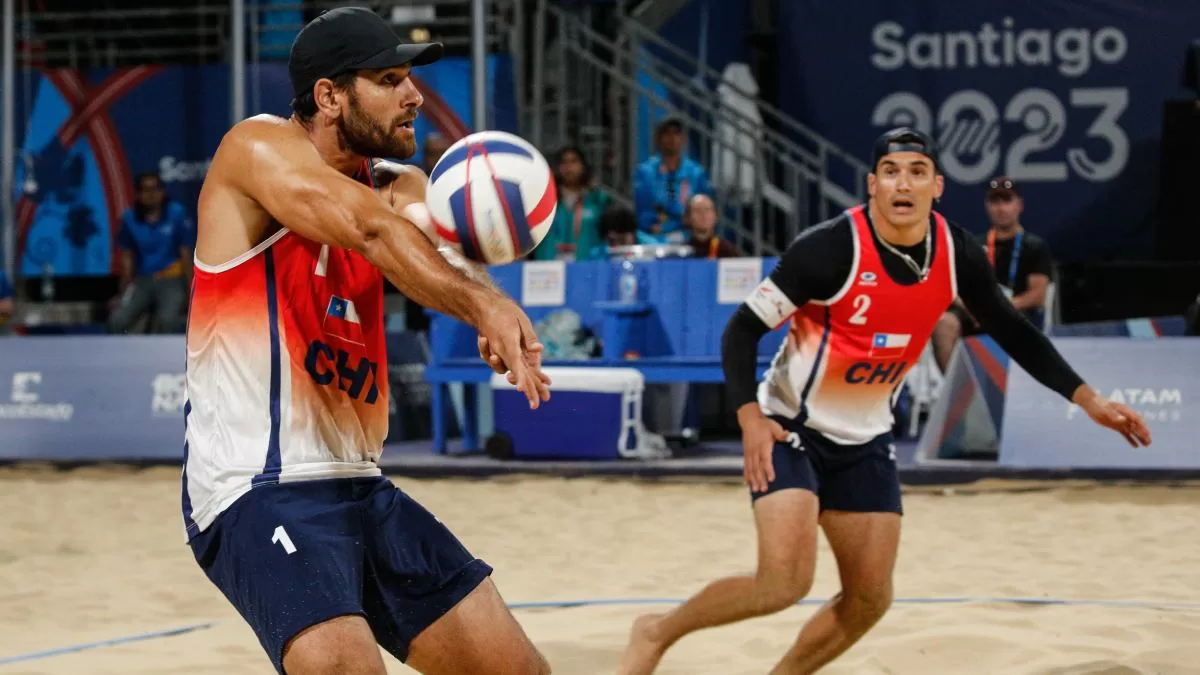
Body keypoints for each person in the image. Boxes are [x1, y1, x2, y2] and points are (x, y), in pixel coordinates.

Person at [617, 127, 1152, 675]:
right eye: (891, 171)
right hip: (790, 428)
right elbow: (740, 332)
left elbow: (1015, 331)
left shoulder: (955, 250)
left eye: (917, 171)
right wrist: (750, 419)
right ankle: (656, 632)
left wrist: (1088, 399)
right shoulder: (828, 248)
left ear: (937, 186)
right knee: (784, 582)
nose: (904, 182)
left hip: (867, 437)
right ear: (872, 185)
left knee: (870, 599)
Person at [183, 8, 552, 675]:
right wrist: (481, 304)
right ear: (328, 97)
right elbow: (375, 233)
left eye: (410, 78)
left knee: (518, 669)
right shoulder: (254, 149)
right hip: (256, 485)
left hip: (358, 483)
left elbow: (429, 238)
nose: (414, 94)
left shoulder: (396, 182)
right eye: (389, 79)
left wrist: (484, 302)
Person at [931, 175, 1055, 372]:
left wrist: (998, 309)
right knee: (944, 322)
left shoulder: (1034, 246)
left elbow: (1037, 296)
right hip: (975, 314)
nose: (1000, 208)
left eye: (1006, 200)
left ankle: (1012, 386)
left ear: (1018, 205)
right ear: (987, 206)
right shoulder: (973, 245)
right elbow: (953, 285)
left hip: (1015, 313)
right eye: (994, 201)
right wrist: (974, 309)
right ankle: (958, 391)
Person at [108, 172, 195, 334]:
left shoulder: (176, 214)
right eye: (146, 190)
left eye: (155, 189)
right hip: (142, 281)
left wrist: (192, 291)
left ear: (163, 192)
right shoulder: (129, 219)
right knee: (117, 320)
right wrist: (122, 294)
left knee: (167, 321)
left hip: (171, 279)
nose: (151, 194)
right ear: (138, 194)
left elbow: (185, 255)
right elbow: (127, 261)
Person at [633, 117, 712, 243]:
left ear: (684, 139)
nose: (672, 138)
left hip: (689, 236)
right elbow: (643, 211)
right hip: (653, 237)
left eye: (677, 133)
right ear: (658, 138)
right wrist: (656, 226)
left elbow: (703, 208)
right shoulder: (646, 172)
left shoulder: (695, 172)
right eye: (667, 133)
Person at [533, 145, 611, 262]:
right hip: (547, 270)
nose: (569, 167)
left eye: (574, 161)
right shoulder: (543, 201)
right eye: (564, 162)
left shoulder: (598, 200)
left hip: (588, 268)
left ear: (583, 166)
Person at [683, 194, 739, 259]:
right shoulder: (682, 252)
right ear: (687, 218)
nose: (703, 215)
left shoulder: (728, 251)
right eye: (697, 210)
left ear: (716, 216)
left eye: (707, 209)